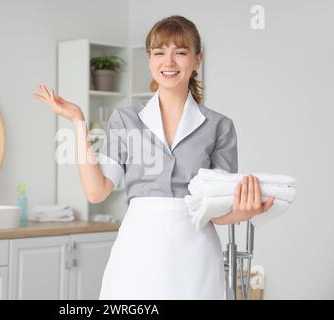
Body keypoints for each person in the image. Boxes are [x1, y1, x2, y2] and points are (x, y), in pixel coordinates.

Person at [34, 15, 275, 300]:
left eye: (180, 52)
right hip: (137, 252)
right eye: (159, 53)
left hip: (195, 257)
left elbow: (218, 211)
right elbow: (96, 191)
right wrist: (77, 121)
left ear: (197, 59)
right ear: (150, 60)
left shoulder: (219, 126)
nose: (169, 62)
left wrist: (245, 212)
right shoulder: (125, 119)